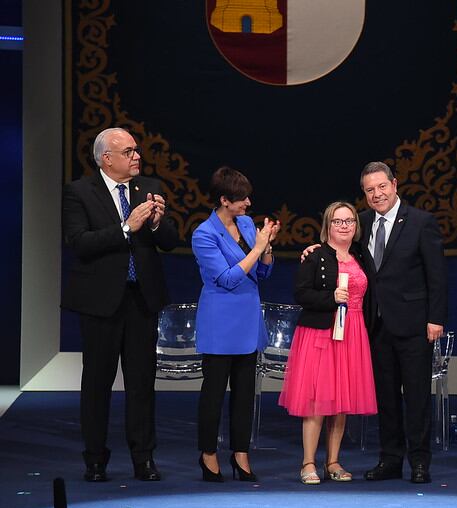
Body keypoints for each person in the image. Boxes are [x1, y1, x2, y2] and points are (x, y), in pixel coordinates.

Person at [302, 161, 447, 483]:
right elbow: (337, 250)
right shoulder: (360, 223)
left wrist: (435, 319)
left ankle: (420, 462)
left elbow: (437, 276)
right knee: (386, 398)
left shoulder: (422, 222)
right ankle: (390, 459)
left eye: (382, 187)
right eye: (370, 190)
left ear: (394, 185)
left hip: (414, 324)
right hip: (373, 327)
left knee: (418, 396)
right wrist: (315, 250)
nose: (377, 194)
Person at [62, 127, 178, 482]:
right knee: (97, 384)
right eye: (128, 151)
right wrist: (127, 228)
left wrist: (157, 224)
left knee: (142, 383)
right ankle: (95, 459)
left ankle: (143, 458)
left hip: (141, 300)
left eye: (137, 150)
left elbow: (171, 241)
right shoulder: (79, 191)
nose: (137, 156)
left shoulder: (150, 189)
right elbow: (80, 242)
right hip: (101, 302)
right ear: (106, 159)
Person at [279, 201, 377, 484]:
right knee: (317, 401)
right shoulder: (316, 256)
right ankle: (308, 463)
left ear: (356, 226)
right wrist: (330, 298)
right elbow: (301, 294)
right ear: (327, 226)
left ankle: (333, 461)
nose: (344, 226)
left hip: (354, 332)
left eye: (349, 221)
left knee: (341, 402)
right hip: (322, 333)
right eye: (337, 221)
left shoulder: (361, 255)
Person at [192, 166, 279, 482]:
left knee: (244, 393)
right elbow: (226, 279)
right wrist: (256, 249)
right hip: (220, 322)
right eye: (242, 200)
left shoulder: (245, 224)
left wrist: (266, 250)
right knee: (214, 393)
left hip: (247, 320)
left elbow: (261, 274)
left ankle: (240, 453)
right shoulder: (203, 234)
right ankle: (208, 454)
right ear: (224, 200)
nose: (248, 205)